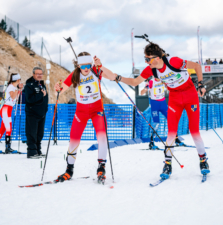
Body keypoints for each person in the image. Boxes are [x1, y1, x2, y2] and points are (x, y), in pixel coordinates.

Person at [96, 43, 209, 180]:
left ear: (157, 58)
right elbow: (134, 82)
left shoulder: (174, 61)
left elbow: (197, 66)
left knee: (194, 131)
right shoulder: (151, 70)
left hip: (190, 96)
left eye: (148, 59)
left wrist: (201, 84)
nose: (146, 62)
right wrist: (118, 78)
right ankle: (167, 164)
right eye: (145, 59)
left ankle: (203, 161)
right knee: (171, 132)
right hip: (175, 99)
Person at [54, 52, 115, 183]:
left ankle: (101, 168)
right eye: (83, 66)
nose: (86, 68)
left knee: (102, 137)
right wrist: (57, 88)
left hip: (97, 111)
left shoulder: (96, 70)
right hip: (81, 112)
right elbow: (60, 89)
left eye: (88, 65)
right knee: (73, 139)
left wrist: (100, 65)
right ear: (78, 65)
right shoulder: (75, 74)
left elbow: (112, 77)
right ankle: (69, 170)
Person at [140, 77, 182, 150]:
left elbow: (170, 87)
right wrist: (146, 88)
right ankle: (151, 142)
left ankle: (176, 139)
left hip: (163, 104)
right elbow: (141, 92)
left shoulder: (163, 80)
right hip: (155, 104)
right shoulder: (151, 82)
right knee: (156, 123)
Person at [24, 67, 48, 159]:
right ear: (33, 74)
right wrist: (41, 94)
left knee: (39, 133)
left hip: (41, 113)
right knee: (31, 133)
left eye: (41, 74)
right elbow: (29, 99)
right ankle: (31, 152)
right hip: (32, 113)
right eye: (37, 74)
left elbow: (44, 98)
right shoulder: (29, 85)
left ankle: (37, 150)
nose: (39, 75)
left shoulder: (42, 84)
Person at [0, 73, 23, 153]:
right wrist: (18, 89)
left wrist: (18, 90)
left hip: (8, 109)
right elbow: (13, 96)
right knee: (9, 128)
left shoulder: (13, 87)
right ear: (17, 80)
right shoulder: (11, 87)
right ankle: (8, 147)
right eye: (19, 80)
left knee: (2, 129)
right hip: (6, 109)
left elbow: (15, 97)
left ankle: (8, 147)